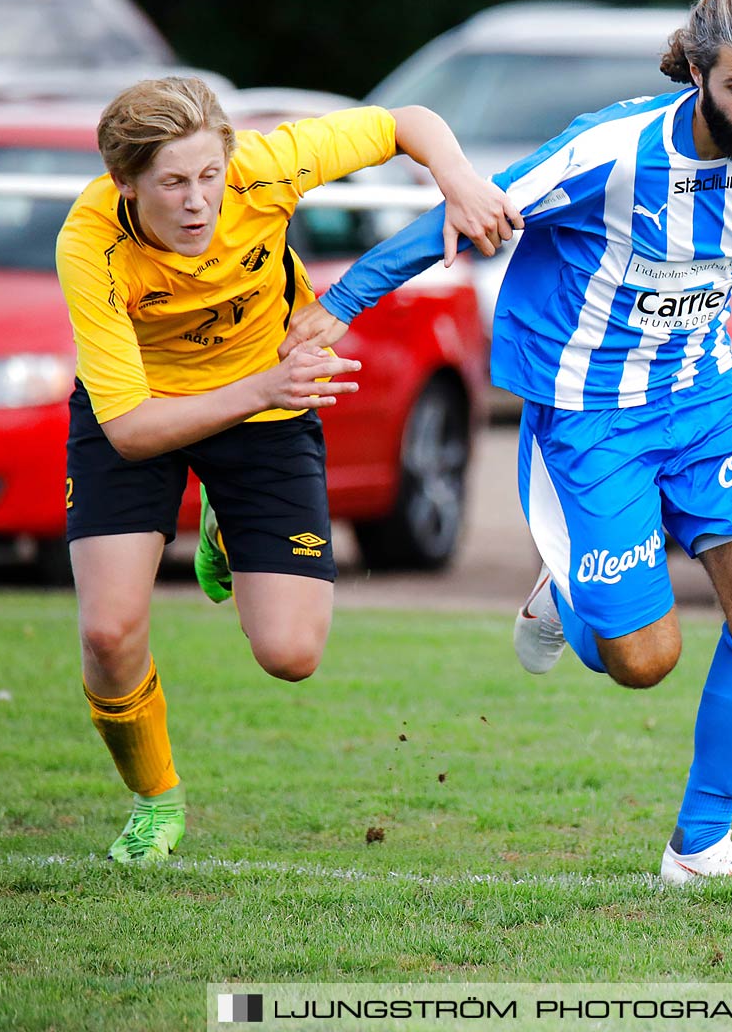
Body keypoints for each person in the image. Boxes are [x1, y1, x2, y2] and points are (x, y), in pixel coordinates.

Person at [282, 0, 732, 885]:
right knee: (644, 661)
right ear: (699, 76)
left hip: (705, 403)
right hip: (588, 416)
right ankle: (568, 594)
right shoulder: (611, 149)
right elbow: (469, 213)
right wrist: (343, 301)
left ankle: (701, 849)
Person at [56, 75, 520, 862]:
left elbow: (408, 121)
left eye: (209, 175)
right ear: (125, 183)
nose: (199, 201)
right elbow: (131, 431)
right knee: (108, 631)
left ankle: (226, 520)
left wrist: (461, 181)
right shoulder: (89, 242)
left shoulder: (266, 167)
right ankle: (155, 802)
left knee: (292, 655)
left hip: (266, 413)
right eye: (172, 182)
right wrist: (261, 387)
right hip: (147, 411)